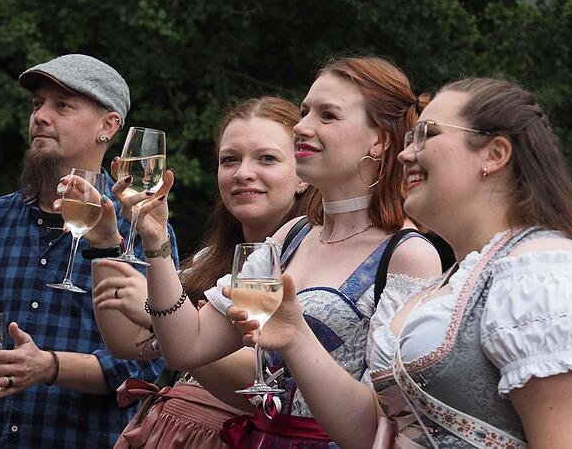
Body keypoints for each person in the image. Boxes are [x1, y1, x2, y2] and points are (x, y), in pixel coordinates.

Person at [234, 77, 572, 448]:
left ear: (495, 154)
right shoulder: (456, 279)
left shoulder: (548, 277)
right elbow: (373, 436)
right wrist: (296, 338)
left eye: (427, 135)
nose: (405, 154)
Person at [133, 56, 442, 447]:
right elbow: (184, 346)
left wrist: (297, 338)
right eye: (304, 112)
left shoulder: (407, 254)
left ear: (379, 139)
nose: (302, 127)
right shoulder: (292, 235)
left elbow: (383, 426)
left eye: (327, 116)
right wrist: (156, 243)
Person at [0, 54, 178, 448]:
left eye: (62, 106)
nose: (40, 116)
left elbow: (146, 363)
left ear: (108, 127)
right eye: (37, 104)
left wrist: (48, 367)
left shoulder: (142, 229)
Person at [85, 96, 314, 448]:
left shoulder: (305, 263)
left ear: (302, 177)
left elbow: (259, 381)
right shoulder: (208, 259)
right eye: (230, 160)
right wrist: (105, 246)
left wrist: (156, 321)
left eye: (266, 158)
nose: (243, 173)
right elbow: (126, 345)